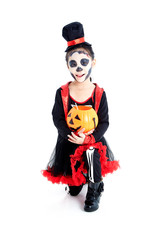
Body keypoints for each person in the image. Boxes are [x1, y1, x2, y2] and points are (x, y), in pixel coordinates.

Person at [41, 22, 120, 212]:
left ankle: (95, 188)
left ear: (92, 62)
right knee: (74, 190)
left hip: (92, 140)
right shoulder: (63, 92)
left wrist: (88, 138)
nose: (79, 68)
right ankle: (78, 182)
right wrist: (71, 135)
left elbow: (104, 121)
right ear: (67, 65)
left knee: (91, 153)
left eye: (84, 62)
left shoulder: (99, 93)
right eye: (73, 63)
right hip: (69, 140)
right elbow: (57, 118)